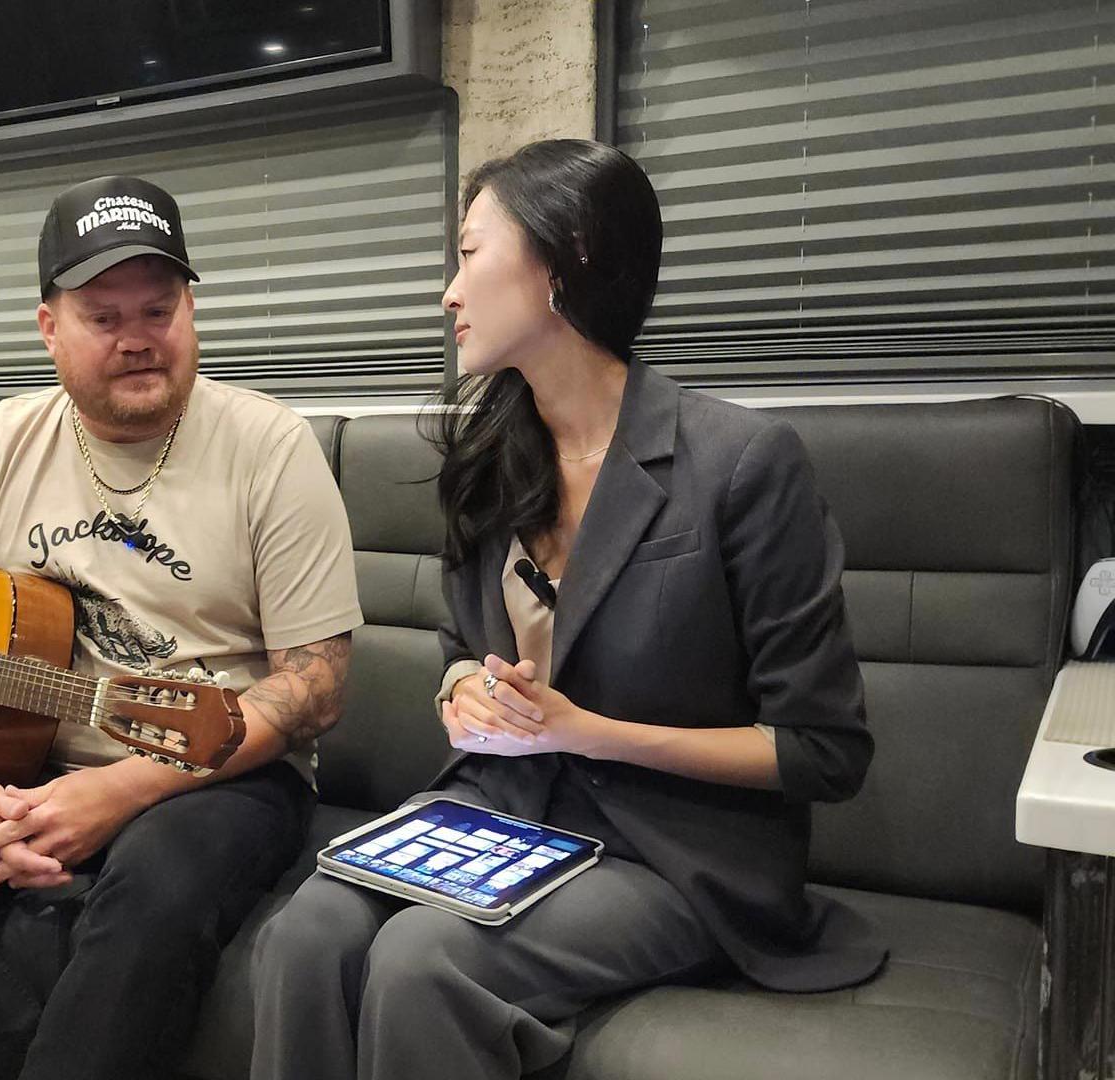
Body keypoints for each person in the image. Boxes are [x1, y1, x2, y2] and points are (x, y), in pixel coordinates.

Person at [250, 139, 888, 1080]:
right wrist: (467, 689)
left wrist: (587, 731)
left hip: (667, 850)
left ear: (568, 254)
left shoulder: (741, 464)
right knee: (307, 933)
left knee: (425, 963)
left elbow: (823, 751)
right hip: (502, 811)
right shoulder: (490, 455)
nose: (448, 292)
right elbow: (463, 649)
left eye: (469, 254)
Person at [0, 174, 363, 1080]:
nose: (136, 340)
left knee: (151, 891)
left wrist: (125, 789)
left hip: (222, 772)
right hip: (21, 759)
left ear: (190, 309)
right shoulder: (0, 443)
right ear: (50, 328)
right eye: (103, 316)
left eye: (158, 310)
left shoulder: (270, 449)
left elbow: (315, 686)